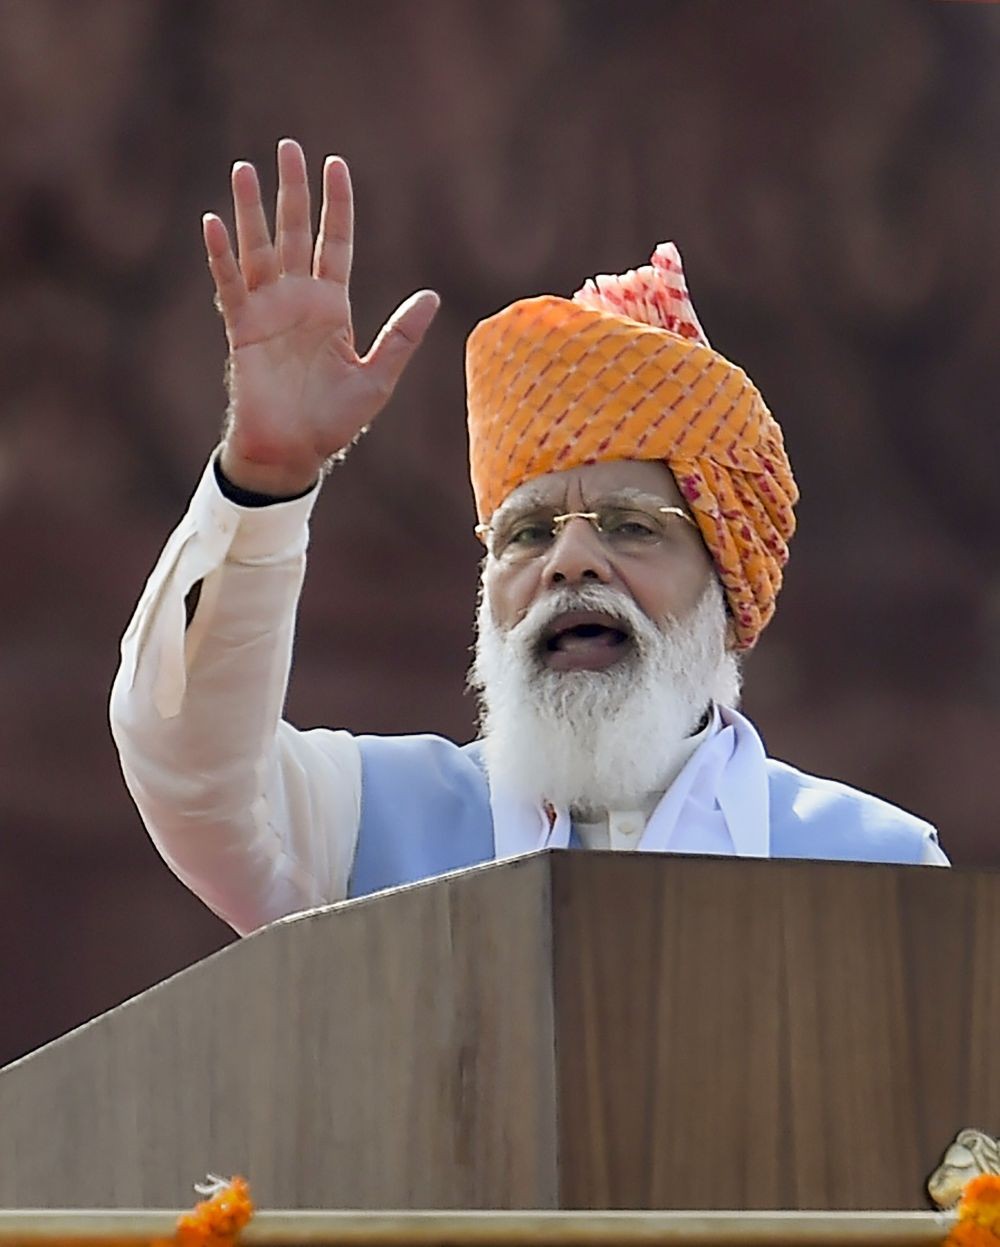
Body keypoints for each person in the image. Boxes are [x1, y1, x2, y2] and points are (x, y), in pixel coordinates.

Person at [110, 139, 947, 936]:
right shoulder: (368, 821)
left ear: (727, 589)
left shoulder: (875, 867)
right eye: (528, 533)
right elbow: (189, 765)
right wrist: (262, 477)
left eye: (630, 526)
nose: (571, 561)